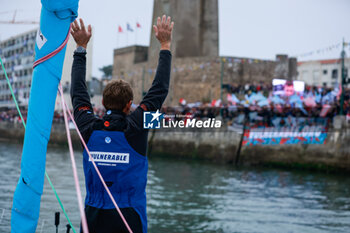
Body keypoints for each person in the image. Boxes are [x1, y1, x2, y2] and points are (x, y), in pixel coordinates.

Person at [70, 15, 174, 233]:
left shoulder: (88, 127)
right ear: (129, 104)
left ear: (104, 103)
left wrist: (80, 48)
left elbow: (78, 92)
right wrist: (165, 45)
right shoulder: (136, 127)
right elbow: (159, 89)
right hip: (128, 216)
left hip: (92, 216)